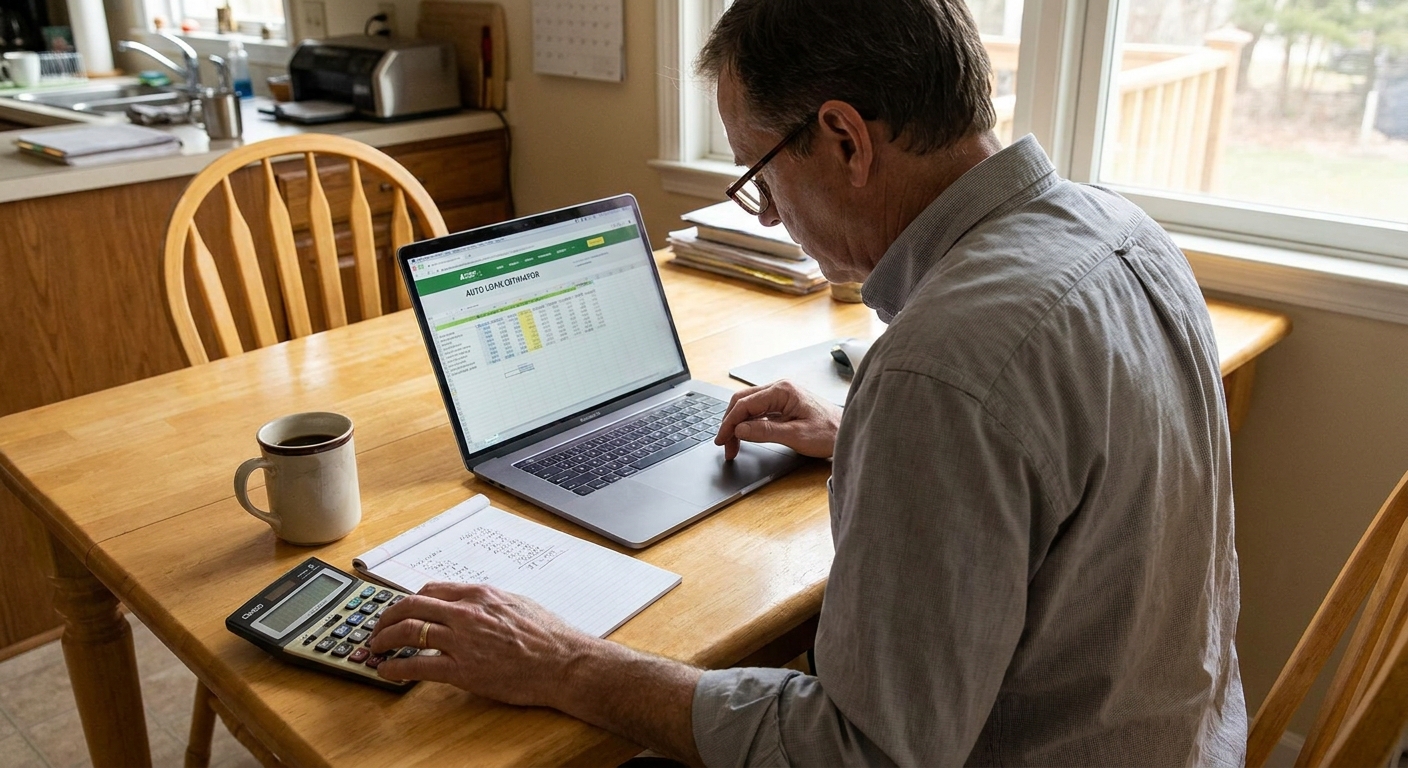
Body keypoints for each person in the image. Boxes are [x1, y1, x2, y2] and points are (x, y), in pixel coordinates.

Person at [367, 0, 1248, 763]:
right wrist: (862, 430)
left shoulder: (941, 373)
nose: (774, 217)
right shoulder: (1119, 229)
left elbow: (856, 752)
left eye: (760, 179)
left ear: (844, 139)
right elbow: (1051, 462)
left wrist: (565, 663)